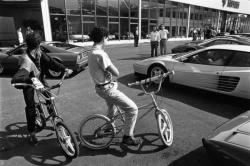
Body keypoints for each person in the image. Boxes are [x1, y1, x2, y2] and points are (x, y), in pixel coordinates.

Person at [11, 32, 73, 145]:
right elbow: (17, 78)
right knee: (30, 107)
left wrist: (64, 69)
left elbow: (50, 62)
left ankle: (54, 120)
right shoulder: (26, 60)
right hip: (29, 83)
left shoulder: (39, 53)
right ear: (38, 44)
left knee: (49, 98)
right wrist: (30, 81)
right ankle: (32, 133)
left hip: (40, 79)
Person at [88, 27, 142, 146]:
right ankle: (128, 137)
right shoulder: (100, 54)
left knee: (112, 108)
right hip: (107, 89)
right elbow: (116, 72)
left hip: (101, 87)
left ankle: (108, 128)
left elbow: (102, 69)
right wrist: (109, 71)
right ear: (103, 38)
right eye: (107, 38)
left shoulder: (91, 52)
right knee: (133, 109)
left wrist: (105, 72)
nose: (108, 40)